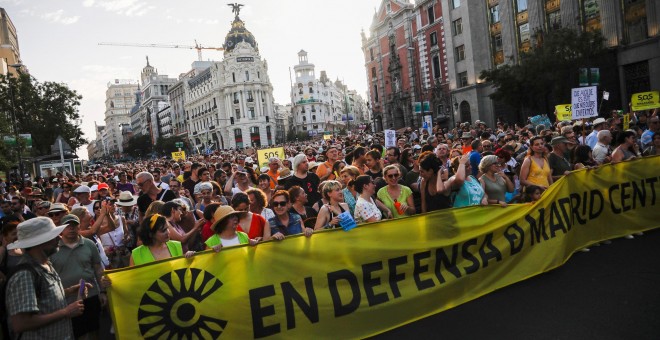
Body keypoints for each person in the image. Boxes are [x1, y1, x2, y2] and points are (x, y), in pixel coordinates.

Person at [4, 217, 86, 339]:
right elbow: (21, 323)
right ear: (40, 242)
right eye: (53, 235)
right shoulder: (24, 274)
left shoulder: (45, 264)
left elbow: (43, 298)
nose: (59, 237)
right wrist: (66, 312)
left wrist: (68, 291)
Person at [50, 214, 106, 339]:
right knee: (72, 333)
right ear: (61, 228)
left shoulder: (89, 244)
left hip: (91, 296)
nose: (71, 229)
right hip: (66, 299)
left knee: (93, 331)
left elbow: (98, 268)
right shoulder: (53, 247)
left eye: (74, 226)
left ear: (79, 227)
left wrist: (102, 291)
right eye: (68, 226)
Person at [130, 214, 195, 266]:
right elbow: (132, 279)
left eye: (167, 228)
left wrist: (189, 258)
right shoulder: (136, 254)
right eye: (163, 230)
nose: (168, 232)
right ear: (151, 234)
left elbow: (182, 269)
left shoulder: (176, 245)